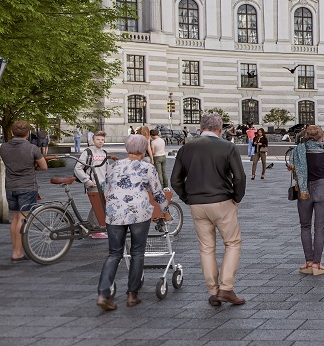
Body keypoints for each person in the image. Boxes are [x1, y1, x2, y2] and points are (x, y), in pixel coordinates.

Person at [171, 111, 247, 307]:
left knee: (206, 248)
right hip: (222, 200)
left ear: (201, 128)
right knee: (232, 243)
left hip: (197, 203)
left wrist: (187, 197)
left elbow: (175, 180)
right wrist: (237, 197)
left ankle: (213, 291)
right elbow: (239, 177)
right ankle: (226, 288)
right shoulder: (228, 146)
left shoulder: (186, 148)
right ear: (220, 129)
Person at [96, 134, 168, 311]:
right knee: (137, 252)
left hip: (114, 214)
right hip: (139, 213)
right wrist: (165, 211)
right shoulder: (147, 167)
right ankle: (132, 295)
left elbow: (106, 188)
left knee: (114, 253)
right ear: (143, 150)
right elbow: (158, 192)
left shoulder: (113, 166)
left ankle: (103, 294)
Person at [287, 125, 324, 275]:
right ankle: (317, 264)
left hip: (304, 191)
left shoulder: (298, 152)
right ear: (320, 138)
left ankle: (308, 261)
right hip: (321, 189)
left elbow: (294, 171)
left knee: (305, 226)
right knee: (319, 228)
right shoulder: (323, 154)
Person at [0, 120, 47, 262]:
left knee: (14, 218)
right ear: (27, 133)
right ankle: (18, 252)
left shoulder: (4, 147)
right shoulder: (32, 148)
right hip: (27, 186)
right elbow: (44, 166)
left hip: (10, 186)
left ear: (12, 132)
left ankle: (16, 251)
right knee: (22, 218)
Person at [74, 130, 113, 239]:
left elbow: (106, 168)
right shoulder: (88, 152)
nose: (100, 142)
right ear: (93, 140)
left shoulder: (104, 153)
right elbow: (78, 168)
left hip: (103, 183)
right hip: (93, 183)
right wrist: (87, 180)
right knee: (98, 205)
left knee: (99, 205)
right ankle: (95, 229)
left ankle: (89, 227)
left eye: (102, 140)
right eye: (98, 139)